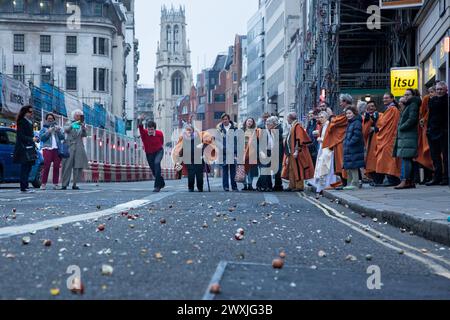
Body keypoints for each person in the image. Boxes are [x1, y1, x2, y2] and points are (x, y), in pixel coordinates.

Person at [322, 94, 353, 188]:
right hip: (339, 140)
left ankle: (346, 181)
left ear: (345, 102)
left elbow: (336, 121)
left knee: (342, 161)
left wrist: (331, 115)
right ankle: (344, 181)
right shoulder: (345, 111)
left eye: (341, 102)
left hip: (342, 139)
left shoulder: (348, 111)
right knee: (339, 162)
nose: (340, 104)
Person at [393, 89, 421, 190]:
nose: (405, 96)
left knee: (406, 158)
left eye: (408, 95)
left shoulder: (413, 104)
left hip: (408, 135)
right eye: (404, 95)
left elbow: (412, 119)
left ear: (413, 95)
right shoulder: (409, 104)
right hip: (406, 136)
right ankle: (409, 181)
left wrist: (401, 127)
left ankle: (405, 180)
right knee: (407, 158)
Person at [282, 112, 315, 192]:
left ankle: (299, 186)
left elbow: (299, 139)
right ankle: (292, 185)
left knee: (298, 168)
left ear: (290, 118)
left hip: (296, 152)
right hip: (291, 152)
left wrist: (297, 150)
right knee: (291, 169)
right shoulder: (293, 126)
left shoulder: (297, 126)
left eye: (287, 118)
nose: (287, 120)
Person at [374, 93, 402, 187]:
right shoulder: (393, 109)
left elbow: (382, 122)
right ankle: (391, 178)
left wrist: (377, 123)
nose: (384, 100)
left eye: (386, 98)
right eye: (383, 98)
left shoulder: (392, 109)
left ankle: (392, 178)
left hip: (389, 138)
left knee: (388, 159)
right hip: (389, 136)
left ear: (392, 98)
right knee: (388, 159)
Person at [426, 81, 449, 186]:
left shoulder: (447, 100)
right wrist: (428, 129)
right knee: (435, 156)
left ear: (446, 90)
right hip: (432, 131)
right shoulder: (432, 100)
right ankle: (437, 177)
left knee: (445, 156)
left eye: (441, 89)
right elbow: (430, 115)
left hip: (443, 131)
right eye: (437, 89)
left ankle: (445, 177)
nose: (439, 91)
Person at [309, 111, 337, 196]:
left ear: (326, 117)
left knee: (326, 167)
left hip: (327, 149)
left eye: (322, 117)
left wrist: (321, 139)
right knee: (321, 167)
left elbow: (330, 137)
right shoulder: (323, 126)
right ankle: (322, 186)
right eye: (319, 117)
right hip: (322, 148)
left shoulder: (328, 125)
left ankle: (328, 184)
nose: (320, 119)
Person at [61, 109, 89, 190]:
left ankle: (75, 184)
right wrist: (73, 124)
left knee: (77, 166)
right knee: (67, 165)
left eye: (80, 116)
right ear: (74, 116)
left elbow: (84, 135)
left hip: (79, 146)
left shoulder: (81, 124)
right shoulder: (69, 122)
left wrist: (83, 128)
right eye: (77, 115)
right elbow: (66, 130)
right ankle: (64, 184)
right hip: (70, 145)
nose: (78, 117)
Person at [13, 105, 38, 193]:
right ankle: (24, 187)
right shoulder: (21, 122)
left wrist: (34, 138)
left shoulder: (29, 122)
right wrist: (31, 139)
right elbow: (20, 136)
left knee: (28, 167)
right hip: (24, 148)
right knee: (25, 168)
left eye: (32, 112)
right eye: (30, 112)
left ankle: (25, 186)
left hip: (29, 147)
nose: (31, 114)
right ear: (25, 112)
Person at [138, 115, 165, 192]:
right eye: (149, 129)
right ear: (147, 129)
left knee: (157, 163)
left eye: (152, 129)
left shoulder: (159, 134)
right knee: (154, 170)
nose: (150, 131)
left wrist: (158, 148)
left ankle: (157, 187)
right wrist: (140, 120)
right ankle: (161, 182)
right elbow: (140, 126)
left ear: (154, 129)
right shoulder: (144, 133)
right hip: (149, 153)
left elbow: (162, 142)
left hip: (159, 151)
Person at [415, 86, 435, 185]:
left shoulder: (430, 100)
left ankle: (431, 175)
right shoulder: (427, 99)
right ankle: (427, 176)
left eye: (433, 91)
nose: (431, 93)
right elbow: (423, 113)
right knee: (425, 154)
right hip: (425, 131)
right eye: (430, 91)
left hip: (430, 130)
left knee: (430, 154)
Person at [39, 113, 65, 190]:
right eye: (49, 118)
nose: (50, 120)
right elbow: (42, 138)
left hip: (57, 149)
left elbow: (62, 137)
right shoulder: (43, 128)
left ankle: (56, 184)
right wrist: (48, 132)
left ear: (54, 119)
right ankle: (43, 183)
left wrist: (58, 131)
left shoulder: (58, 127)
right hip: (47, 149)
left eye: (52, 118)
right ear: (46, 120)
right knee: (46, 166)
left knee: (57, 166)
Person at [343, 107, 365, 191]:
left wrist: (349, 143)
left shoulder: (356, 122)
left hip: (354, 147)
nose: (348, 115)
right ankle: (350, 183)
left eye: (349, 113)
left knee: (353, 166)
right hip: (350, 147)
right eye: (346, 114)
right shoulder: (351, 122)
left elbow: (357, 135)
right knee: (350, 166)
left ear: (354, 113)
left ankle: (355, 183)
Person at [217, 114, 238, 192]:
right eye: (223, 119)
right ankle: (225, 186)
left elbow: (237, 140)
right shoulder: (219, 129)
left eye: (226, 119)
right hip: (223, 152)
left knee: (233, 170)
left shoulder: (235, 128)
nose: (225, 121)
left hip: (233, 152)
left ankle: (234, 186)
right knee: (225, 170)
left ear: (229, 119)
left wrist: (236, 152)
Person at [362, 101, 380, 185]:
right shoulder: (366, 118)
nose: (371, 108)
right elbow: (364, 132)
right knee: (370, 161)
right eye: (369, 107)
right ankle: (374, 179)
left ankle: (378, 179)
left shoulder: (381, 115)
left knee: (376, 160)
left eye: (372, 106)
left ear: (375, 107)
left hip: (378, 141)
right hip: (370, 142)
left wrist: (374, 129)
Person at [242, 118, 258, 191]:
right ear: (246, 122)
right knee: (243, 170)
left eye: (251, 121)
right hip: (242, 153)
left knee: (250, 170)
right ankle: (245, 185)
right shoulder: (241, 130)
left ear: (253, 123)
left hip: (251, 153)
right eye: (248, 121)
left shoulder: (255, 131)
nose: (249, 122)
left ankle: (250, 184)